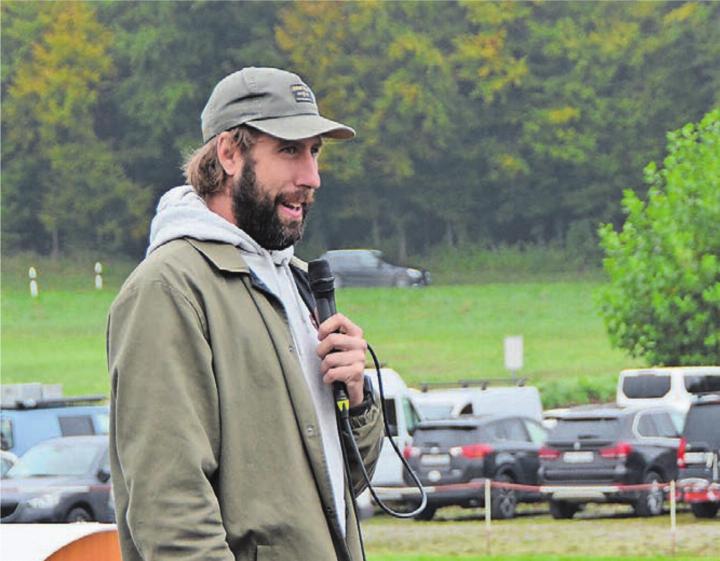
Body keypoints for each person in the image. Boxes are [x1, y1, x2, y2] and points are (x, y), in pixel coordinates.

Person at [107, 67, 384, 561]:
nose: (311, 177)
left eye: (315, 152)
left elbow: (343, 486)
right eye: (289, 150)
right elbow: (169, 508)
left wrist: (356, 401)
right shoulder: (168, 288)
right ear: (229, 154)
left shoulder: (293, 284)